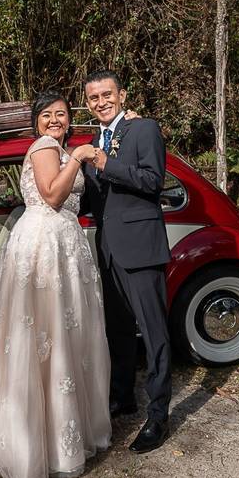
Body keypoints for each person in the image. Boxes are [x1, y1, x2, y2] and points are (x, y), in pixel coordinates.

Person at [0, 91, 112, 478]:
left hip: (59, 242)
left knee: (58, 333)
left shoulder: (55, 147)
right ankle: (40, 441)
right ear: (36, 122)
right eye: (48, 115)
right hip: (46, 246)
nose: (55, 120)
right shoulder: (46, 147)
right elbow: (53, 195)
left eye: (61, 114)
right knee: (49, 333)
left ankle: (54, 430)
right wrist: (77, 157)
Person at [81, 69, 172, 454]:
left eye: (107, 95)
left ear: (122, 95)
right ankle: (123, 396)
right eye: (93, 98)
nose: (100, 102)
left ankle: (158, 416)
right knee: (117, 331)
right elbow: (91, 200)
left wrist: (104, 162)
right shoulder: (90, 142)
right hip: (109, 250)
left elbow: (153, 181)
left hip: (141, 246)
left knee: (154, 335)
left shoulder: (143, 129)